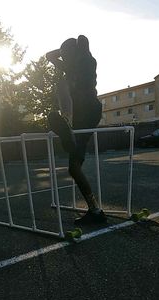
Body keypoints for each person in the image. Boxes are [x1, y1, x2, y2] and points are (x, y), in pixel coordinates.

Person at [46, 35, 107, 225]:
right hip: (83, 113)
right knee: (74, 168)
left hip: (87, 111)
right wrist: (65, 51)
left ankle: (68, 130)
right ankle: (95, 210)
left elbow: (81, 40)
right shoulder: (71, 67)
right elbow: (49, 56)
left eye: (65, 55)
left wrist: (70, 50)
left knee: (55, 114)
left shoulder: (86, 62)